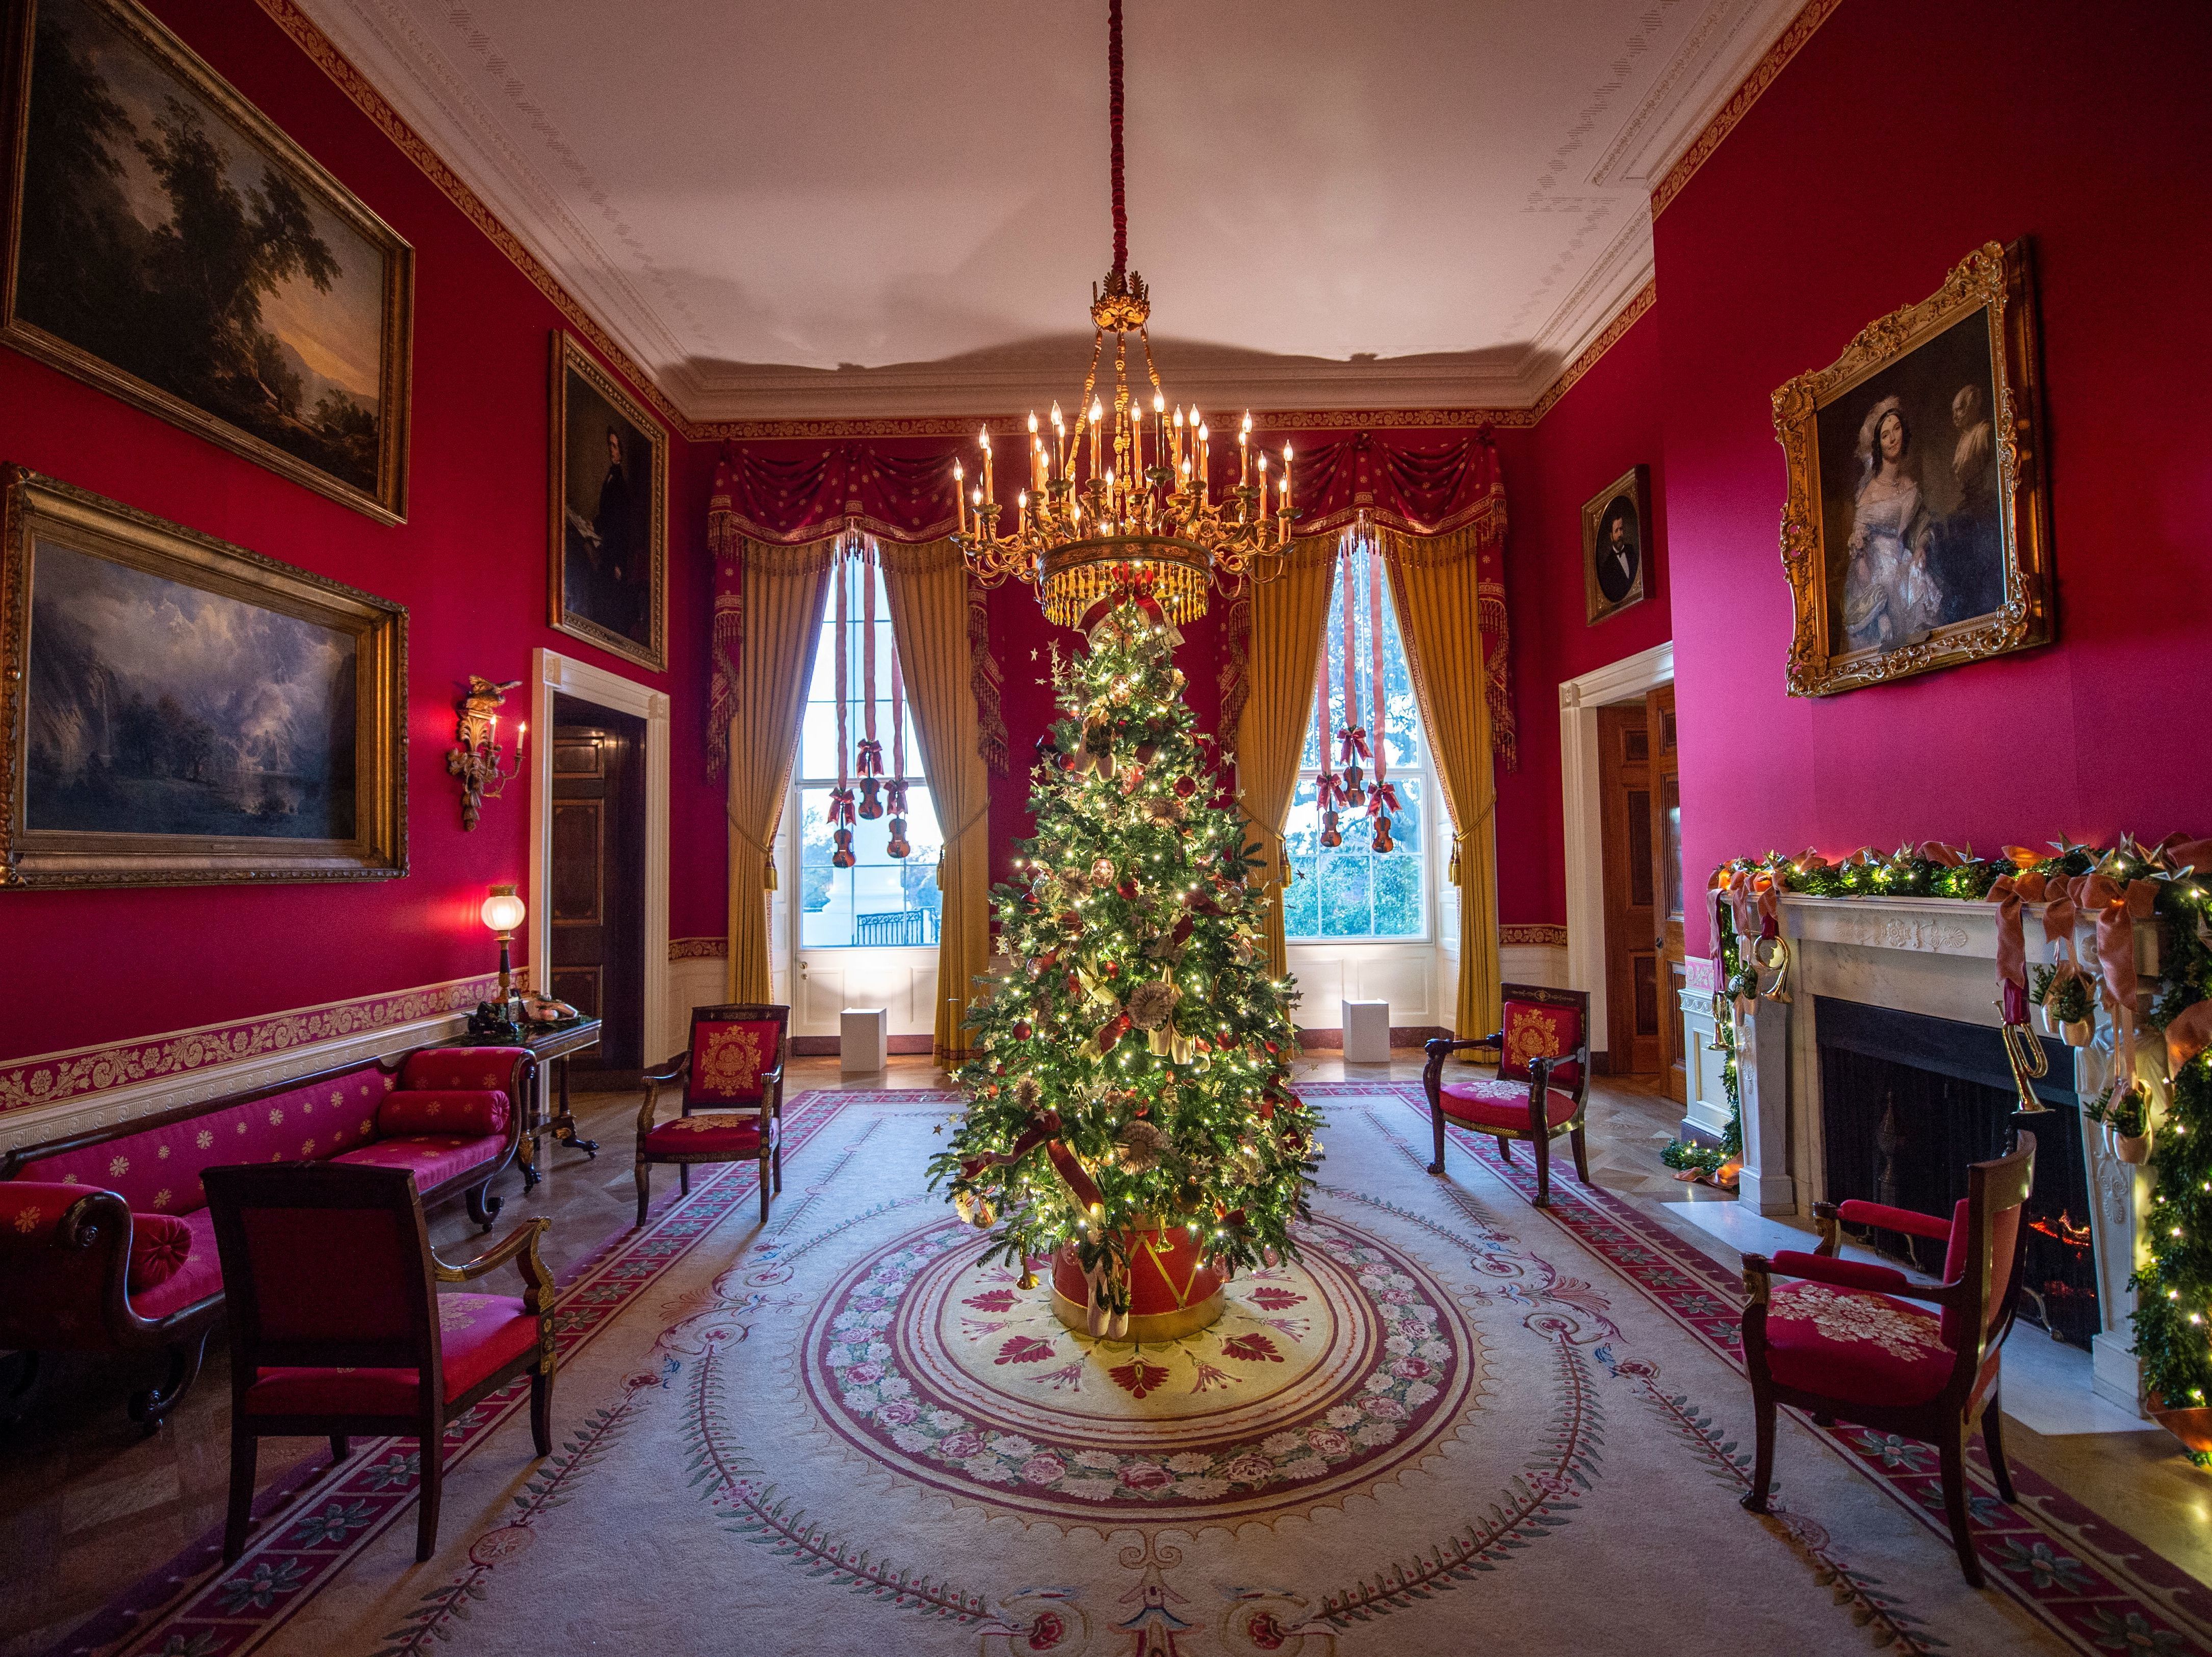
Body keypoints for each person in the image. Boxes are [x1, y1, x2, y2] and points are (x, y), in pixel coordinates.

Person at [1841, 397, 1939, 652]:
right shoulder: (1870, 494)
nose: (1893, 438)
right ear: (1879, 445)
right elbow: (1859, 552)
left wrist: (1920, 548)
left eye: (1897, 429)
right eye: (1886, 435)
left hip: (1906, 567)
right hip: (1877, 577)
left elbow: (1922, 527)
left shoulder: (1910, 487)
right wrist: (1880, 611)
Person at [1594, 501, 1640, 605]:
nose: (1620, 534)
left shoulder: (1631, 550)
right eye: (1616, 531)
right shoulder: (1607, 566)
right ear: (1611, 536)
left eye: (1621, 529)